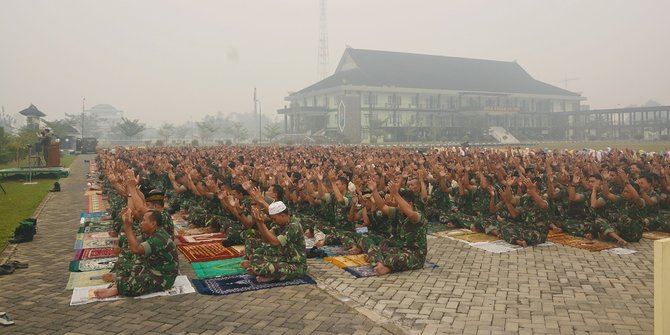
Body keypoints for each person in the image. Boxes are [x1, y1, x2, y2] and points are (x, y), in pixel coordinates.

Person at [94, 208, 179, 298]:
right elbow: (131, 242)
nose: (141, 223)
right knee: (129, 261)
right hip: (151, 267)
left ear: (153, 224)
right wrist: (125, 223)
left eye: (144, 220)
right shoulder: (150, 232)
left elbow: (136, 249)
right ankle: (118, 278)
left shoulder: (159, 238)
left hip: (163, 275)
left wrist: (127, 226)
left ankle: (117, 288)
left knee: (139, 283)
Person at [246, 201, 307, 282]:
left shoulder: (294, 225)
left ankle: (271, 276)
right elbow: (266, 239)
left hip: (296, 265)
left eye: (274, 219)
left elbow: (275, 242)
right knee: (256, 255)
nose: (273, 221)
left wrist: (262, 223)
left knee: (270, 268)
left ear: (282, 215)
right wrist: (259, 222)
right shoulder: (280, 224)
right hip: (283, 257)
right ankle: (262, 271)